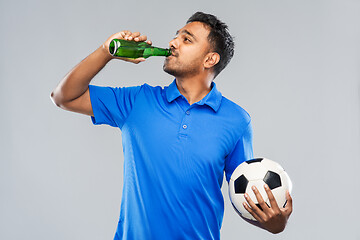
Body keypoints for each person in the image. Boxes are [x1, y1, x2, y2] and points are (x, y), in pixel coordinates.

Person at [51, 12, 293, 240]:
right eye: (176, 35)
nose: (173, 42)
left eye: (186, 39)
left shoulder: (237, 121)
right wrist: (106, 52)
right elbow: (64, 97)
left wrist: (275, 225)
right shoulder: (137, 101)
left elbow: (245, 195)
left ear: (210, 59)